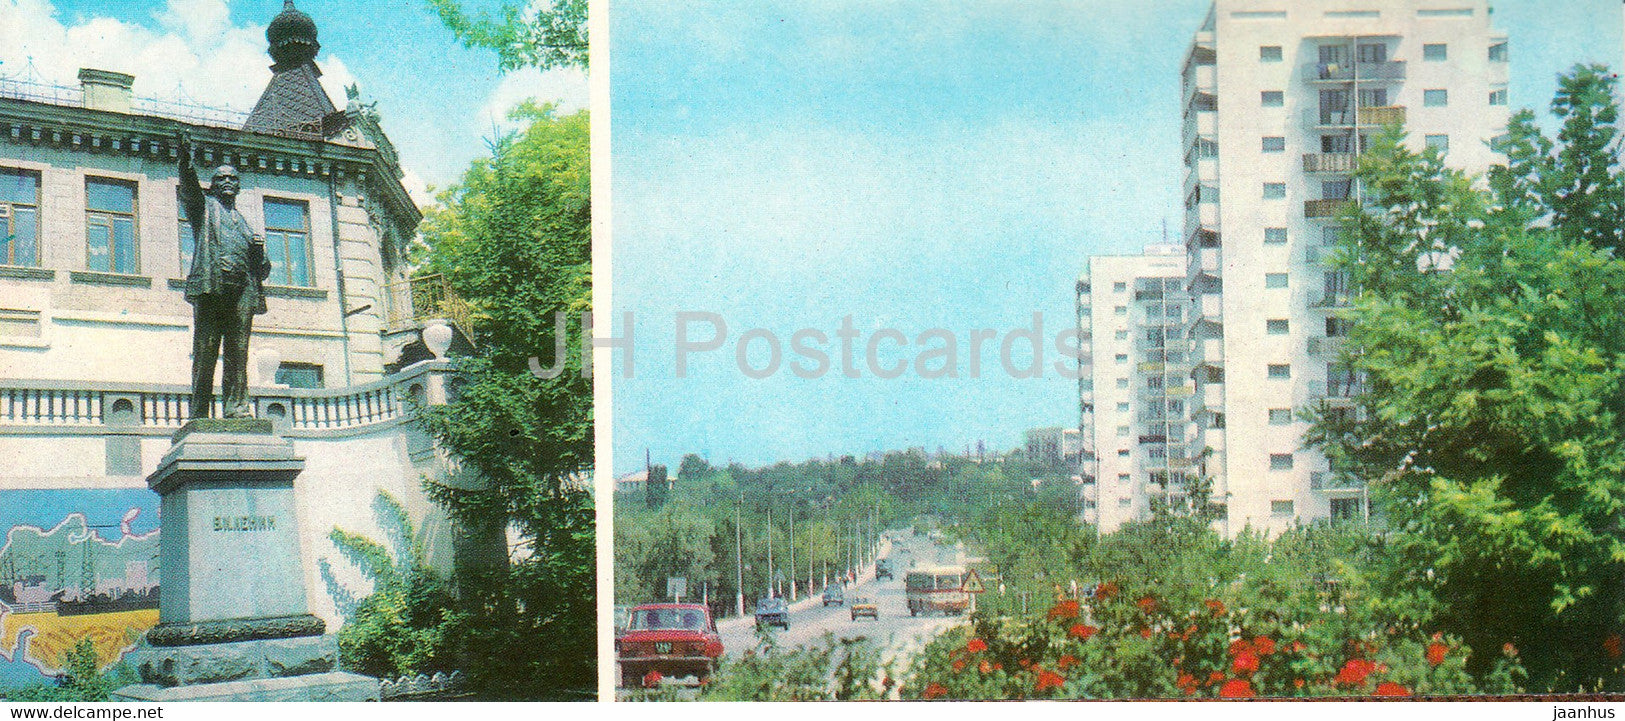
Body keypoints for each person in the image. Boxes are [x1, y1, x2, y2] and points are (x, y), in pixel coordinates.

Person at [177, 133, 271, 419]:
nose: (227, 182)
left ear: (239, 187)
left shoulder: (244, 223)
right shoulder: (205, 209)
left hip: (242, 293)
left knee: (238, 353)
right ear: (213, 186)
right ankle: (199, 412)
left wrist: (258, 250)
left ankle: (236, 408)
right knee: (206, 351)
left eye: (232, 179)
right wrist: (185, 161)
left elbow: (263, 269)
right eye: (221, 179)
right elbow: (191, 191)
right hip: (212, 290)